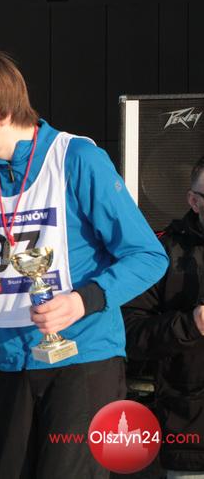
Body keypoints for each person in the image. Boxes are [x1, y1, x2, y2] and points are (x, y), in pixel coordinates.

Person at [0, 48, 168, 478]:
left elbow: (147, 256)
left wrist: (83, 300)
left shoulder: (76, 159)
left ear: (1, 114)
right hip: (10, 363)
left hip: (83, 360)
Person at [123, 156, 204, 477]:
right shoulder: (161, 254)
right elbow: (129, 334)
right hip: (193, 435)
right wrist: (190, 325)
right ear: (194, 201)